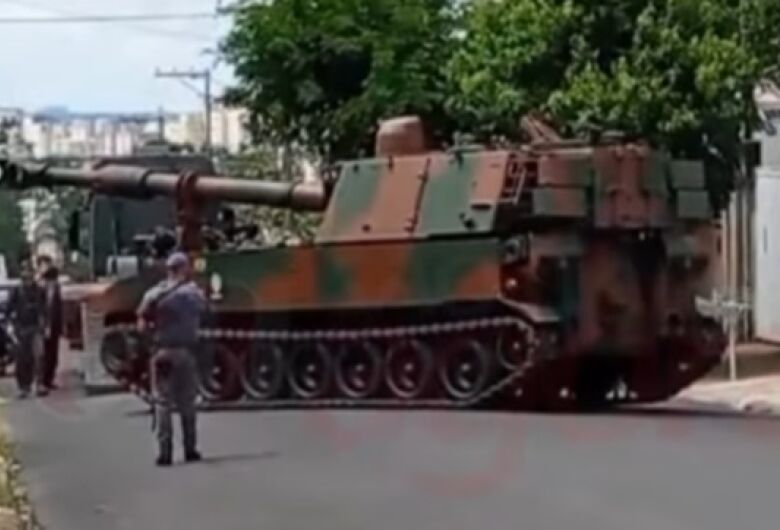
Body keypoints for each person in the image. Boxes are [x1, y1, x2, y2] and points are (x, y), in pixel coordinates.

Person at [137, 252, 207, 467]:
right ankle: (190, 448)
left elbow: (141, 322)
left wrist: (151, 338)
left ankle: (165, 452)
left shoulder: (154, 294)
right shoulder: (193, 293)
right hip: (186, 351)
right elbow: (204, 310)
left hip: (162, 352)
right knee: (187, 402)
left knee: (162, 402)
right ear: (184, 268)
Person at [7, 262, 47, 398]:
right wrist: (11, 324)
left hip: (35, 328)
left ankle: (39, 384)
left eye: (29, 274)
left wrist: (45, 324)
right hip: (21, 329)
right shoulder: (17, 291)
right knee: (22, 359)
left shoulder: (39, 290)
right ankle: (24, 387)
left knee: (39, 356)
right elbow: (9, 309)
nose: (28, 277)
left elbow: (44, 309)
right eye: (25, 274)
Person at [38, 259, 63, 391]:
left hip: (55, 326)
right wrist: (44, 326)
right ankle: (42, 381)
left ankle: (49, 379)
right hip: (44, 326)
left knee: (53, 355)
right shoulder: (41, 291)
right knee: (44, 355)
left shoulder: (57, 290)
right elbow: (41, 310)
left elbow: (59, 309)